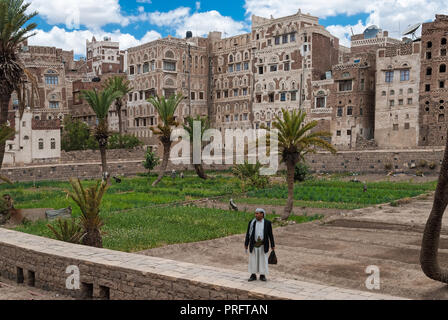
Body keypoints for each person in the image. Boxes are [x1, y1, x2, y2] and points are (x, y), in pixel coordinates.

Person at [244, 208, 275, 281]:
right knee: (253, 260)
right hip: (253, 244)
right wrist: (246, 243)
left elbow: (270, 235)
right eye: (255, 213)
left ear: (262, 214)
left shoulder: (267, 223)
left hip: (263, 245)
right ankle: (253, 275)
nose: (256, 215)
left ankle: (262, 275)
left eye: (258, 213)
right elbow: (248, 234)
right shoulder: (252, 222)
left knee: (262, 260)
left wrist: (272, 245)